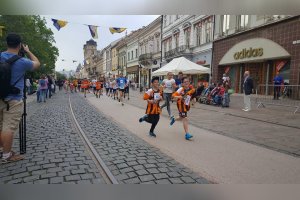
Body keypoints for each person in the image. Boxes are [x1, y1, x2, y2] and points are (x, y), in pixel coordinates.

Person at [0, 33, 40, 163]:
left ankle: (2, 150)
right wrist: (28, 51)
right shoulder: (22, 61)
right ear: (20, 45)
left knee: (1, 126)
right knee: (8, 128)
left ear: (7, 43)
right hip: (13, 98)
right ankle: (7, 155)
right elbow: (37, 64)